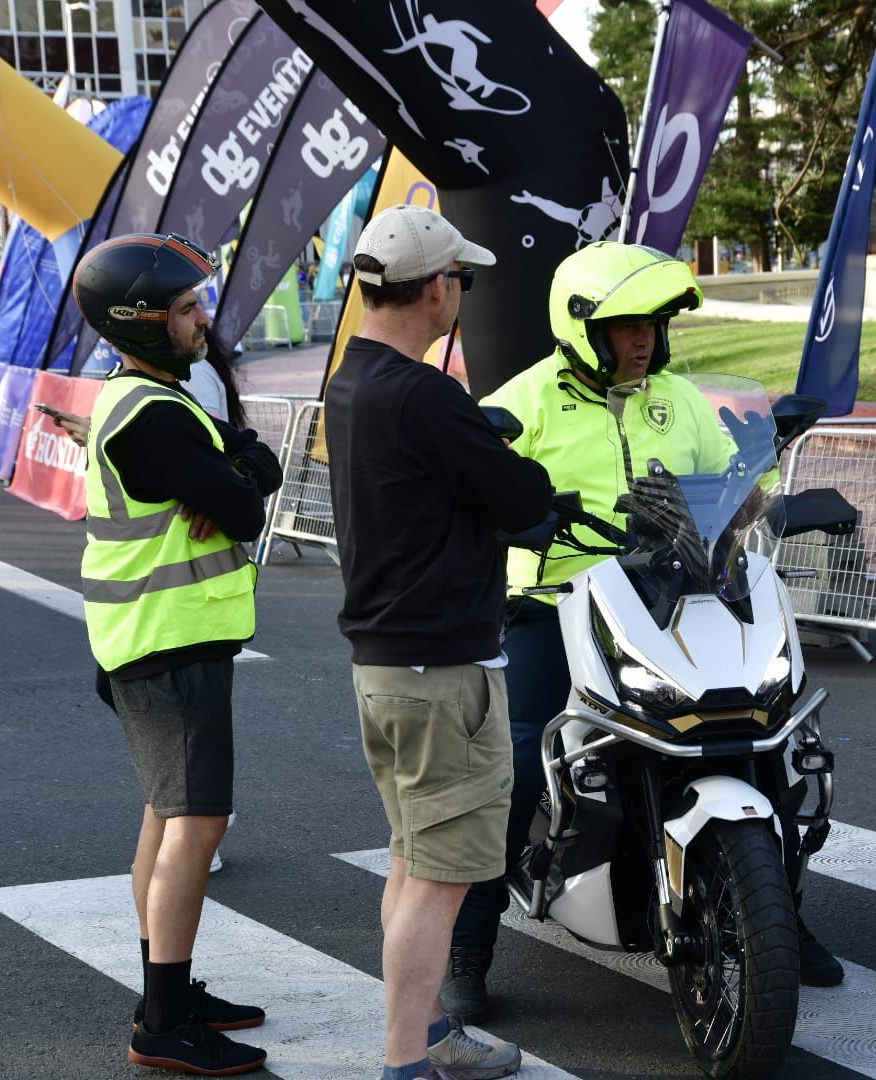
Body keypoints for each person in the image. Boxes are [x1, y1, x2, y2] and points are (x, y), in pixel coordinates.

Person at [438, 241, 845, 1026]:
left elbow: (740, 500)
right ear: (582, 328)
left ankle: (775, 913)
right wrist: (521, 520)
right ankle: (468, 946)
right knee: (513, 762)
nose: (643, 341)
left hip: (679, 593)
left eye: (653, 326)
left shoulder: (681, 399)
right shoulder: (524, 403)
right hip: (557, 601)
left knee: (762, 735)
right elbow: (481, 497)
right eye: (627, 327)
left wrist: (755, 484)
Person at [325, 204, 553, 1080]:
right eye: (459, 276)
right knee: (441, 877)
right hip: (441, 670)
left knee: (412, 859)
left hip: (387, 664)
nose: (461, 291)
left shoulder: (354, 378)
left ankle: (423, 1038)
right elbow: (522, 496)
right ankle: (407, 1063)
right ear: (433, 290)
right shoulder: (425, 395)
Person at [72, 232, 285, 1076]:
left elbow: (253, 465)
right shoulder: (156, 416)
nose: (203, 320)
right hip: (168, 642)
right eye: (187, 308)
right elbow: (247, 507)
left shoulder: (146, 397)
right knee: (197, 823)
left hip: (153, 637)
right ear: (144, 322)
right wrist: (235, 477)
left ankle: (168, 989)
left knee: (167, 817)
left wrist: (236, 470)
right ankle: (163, 1020)